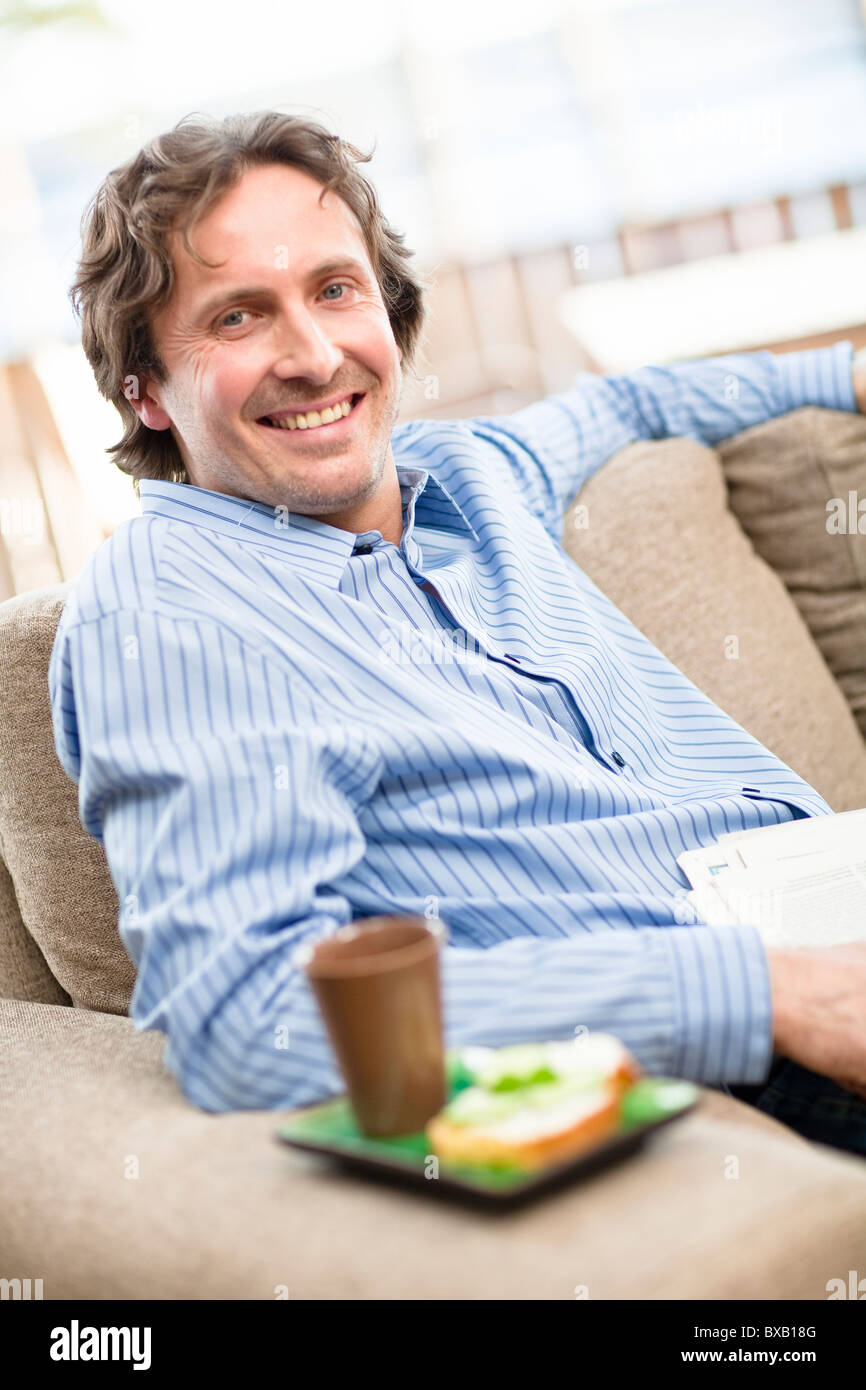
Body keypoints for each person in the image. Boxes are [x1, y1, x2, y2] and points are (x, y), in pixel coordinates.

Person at [50, 110, 866, 1154]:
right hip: (741, 1048)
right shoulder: (172, 606)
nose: (312, 354)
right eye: (239, 317)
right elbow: (247, 1019)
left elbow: (631, 403)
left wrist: (839, 376)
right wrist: (762, 994)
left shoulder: (474, 476)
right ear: (144, 386)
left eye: (334, 291)